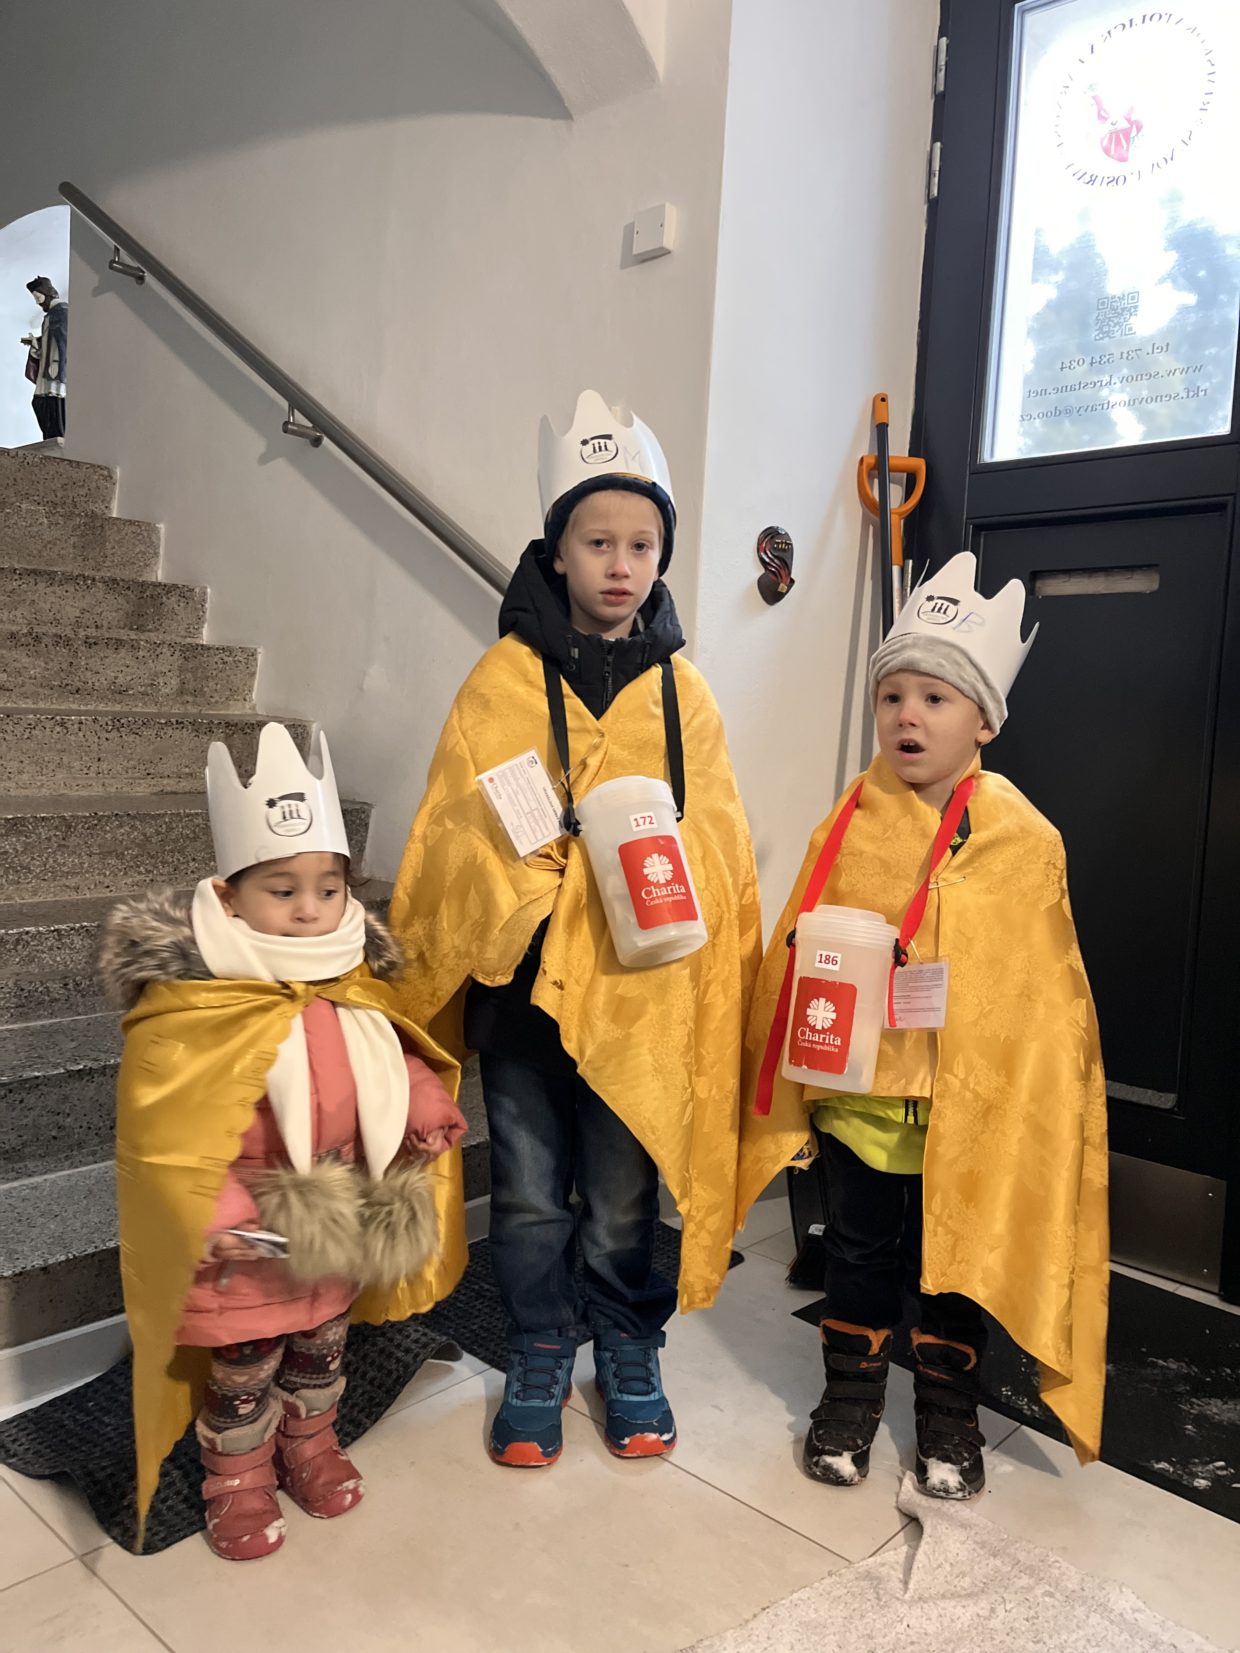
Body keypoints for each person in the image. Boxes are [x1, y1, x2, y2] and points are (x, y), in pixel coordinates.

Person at [389, 390, 761, 1469]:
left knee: (620, 1200)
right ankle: (542, 1345)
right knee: (529, 1199)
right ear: (556, 551)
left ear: (661, 555)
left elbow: (722, 847)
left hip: (638, 1003)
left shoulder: (685, 696)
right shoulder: (502, 681)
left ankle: (629, 1345)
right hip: (523, 1001)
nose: (620, 564)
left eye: (642, 544)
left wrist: (657, 853)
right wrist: (536, 866)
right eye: (598, 542)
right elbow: (456, 832)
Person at [737, 552, 1109, 1497]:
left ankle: (949, 1416)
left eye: (936, 697)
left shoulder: (1024, 839)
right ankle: (850, 1400)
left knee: (954, 1265)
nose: (908, 714)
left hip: (966, 1113)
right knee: (859, 1254)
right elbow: (803, 946)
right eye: (892, 695)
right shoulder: (849, 822)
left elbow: (1047, 993)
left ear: (983, 720)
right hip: (863, 1103)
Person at [101, 722, 469, 1560]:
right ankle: (236, 1479)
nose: (310, 908)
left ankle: (310, 1442)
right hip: (247, 1243)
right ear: (229, 897)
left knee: (321, 1347)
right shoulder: (196, 1001)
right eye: (282, 888)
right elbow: (173, 1135)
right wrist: (219, 1216)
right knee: (243, 1370)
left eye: (328, 888)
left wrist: (422, 1106)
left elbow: (387, 1053)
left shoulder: (346, 976)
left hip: (336, 1220)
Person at [23, 276, 67, 440]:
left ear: (47, 293)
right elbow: (50, 345)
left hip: (55, 369)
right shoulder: (50, 316)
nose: (37, 303)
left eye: (38, 297)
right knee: (40, 402)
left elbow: (64, 342)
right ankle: (51, 437)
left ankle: (57, 436)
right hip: (48, 369)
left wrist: (61, 367)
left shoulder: (62, 312)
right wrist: (36, 346)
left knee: (53, 402)